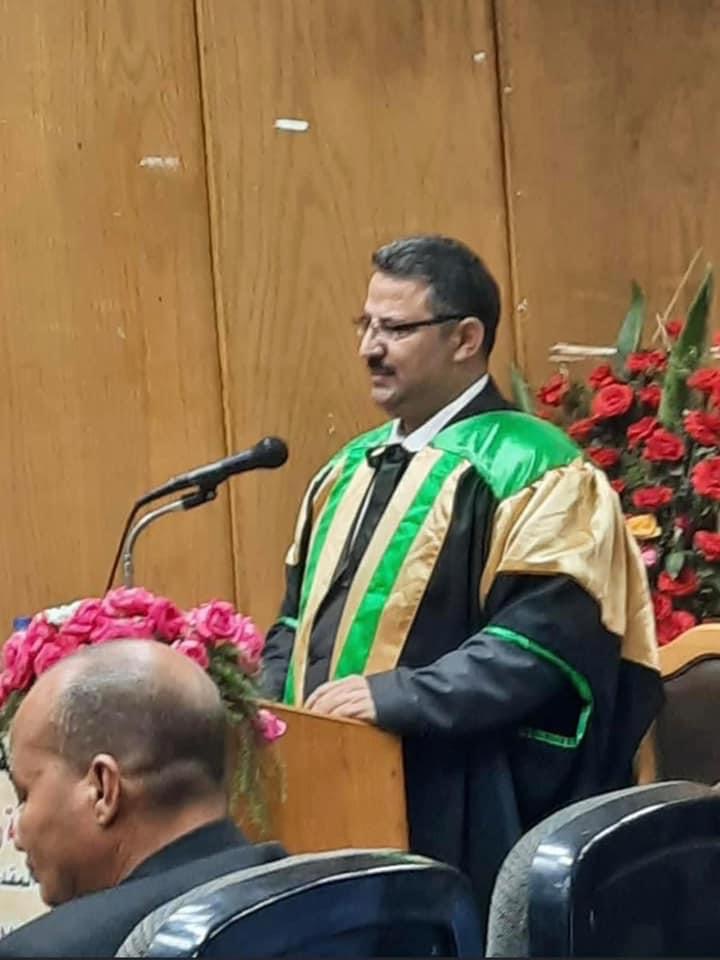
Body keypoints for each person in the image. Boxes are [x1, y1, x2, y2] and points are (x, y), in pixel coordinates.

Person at [262, 234, 663, 918]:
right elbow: (294, 621)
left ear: (465, 338)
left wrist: (398, 697)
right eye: (365, 325)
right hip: (327, 784)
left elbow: (543, 643)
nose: (369, 348)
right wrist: (270, 703)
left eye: (395, 328)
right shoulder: (346, 470)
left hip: (460, 793)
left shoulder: (535, 467)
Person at [0, 640, 285, 958]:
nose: (17, 836)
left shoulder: (50, 951)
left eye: (25, 795)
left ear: (103, 790)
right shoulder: (315, 896)